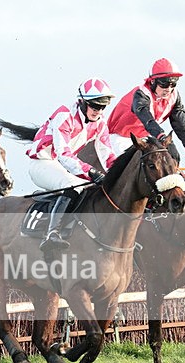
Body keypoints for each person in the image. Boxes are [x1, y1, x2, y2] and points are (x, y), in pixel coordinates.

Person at [27, 78, 117, 251]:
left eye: (102, 107)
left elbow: (107, 155)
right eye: (94, 106)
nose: (98, 111)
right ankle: (52, 234)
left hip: (60, 166)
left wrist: (118, 173)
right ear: (82, 102)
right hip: (42, 163)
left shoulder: (100, 123)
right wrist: (90, 171)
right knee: (73, 184)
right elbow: (64, 154)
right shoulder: (65, 115)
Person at [107, 57, 185, 174]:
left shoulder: (174, 96)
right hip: (120, 138)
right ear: (152, 81)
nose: (169, 89)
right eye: (164, 85)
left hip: (144, 136)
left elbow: (182, 125)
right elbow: (148, 121)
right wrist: (164, 139)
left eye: (173, 84)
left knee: (173, 158)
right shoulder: (141, 94)